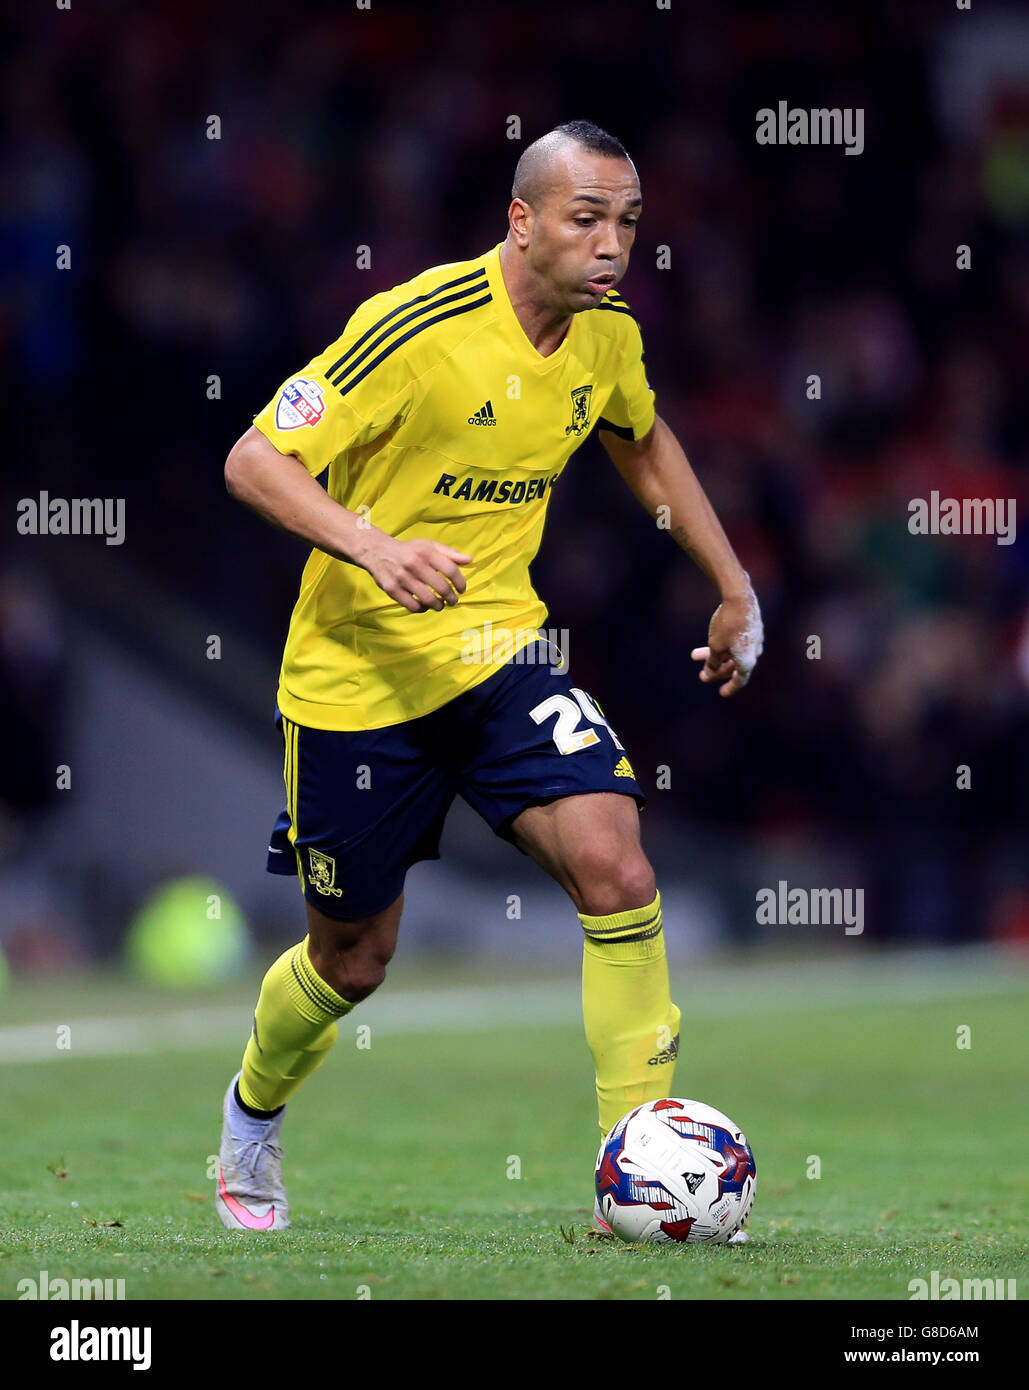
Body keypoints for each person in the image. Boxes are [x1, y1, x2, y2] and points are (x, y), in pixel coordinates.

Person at [217, 120, 763, 1231]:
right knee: (354, 960)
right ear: (521, 221)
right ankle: (251, 1116)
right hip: (356, 678)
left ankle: (642, 1170)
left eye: (628, 223)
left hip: (499, 651)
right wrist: (374, 545)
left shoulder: (606, 337)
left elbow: (641, 438)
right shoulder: (414, 326)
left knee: (616, 866)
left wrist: (732, 578)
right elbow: (254, 459)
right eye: (586, 218)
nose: (613, 246)